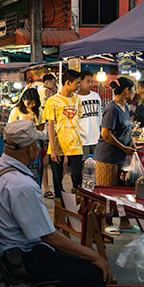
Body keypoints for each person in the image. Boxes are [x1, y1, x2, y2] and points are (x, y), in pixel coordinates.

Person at [0, 120, 110, 287]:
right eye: (37, 144)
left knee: (73, 260)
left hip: (6, 249)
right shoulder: (22, 185)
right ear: (31, 149)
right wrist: (94, 256)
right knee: (93, 272)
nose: (39, 150)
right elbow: (49, 237)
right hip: (21, 257)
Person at [94, 77, 137, 233]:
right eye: (133, 90)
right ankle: (105, 222)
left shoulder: (124, 106)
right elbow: (106, 134)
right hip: (108, 157)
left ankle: (124, 221)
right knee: (107, 192)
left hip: (121, 156)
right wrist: (123, 148)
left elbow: (126, 130)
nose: (134, 93)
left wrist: (131, 143)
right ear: (126, 91)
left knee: (121, 191)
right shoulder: (112, 109)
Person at [44, 69, 83, 201]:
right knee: (57, 179)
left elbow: (78, 120)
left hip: (75, 145)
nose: (79, 86)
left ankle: (78, 207)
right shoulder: (52, 101)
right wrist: (53, 149)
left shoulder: (78, 99)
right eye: (77, 83)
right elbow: (50, 125)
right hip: (57, 145)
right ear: (68, 82)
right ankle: (60, 211)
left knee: (77, 178)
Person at [77, 71, 102, 159]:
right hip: (81, 140)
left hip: (96, 138)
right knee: (83, 165)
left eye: (92, 81)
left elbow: (100, 115)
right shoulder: (74, 98)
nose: (91, 84)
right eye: (88, 81)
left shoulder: (96, 96)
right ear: (80, 82)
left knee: (98, 164)